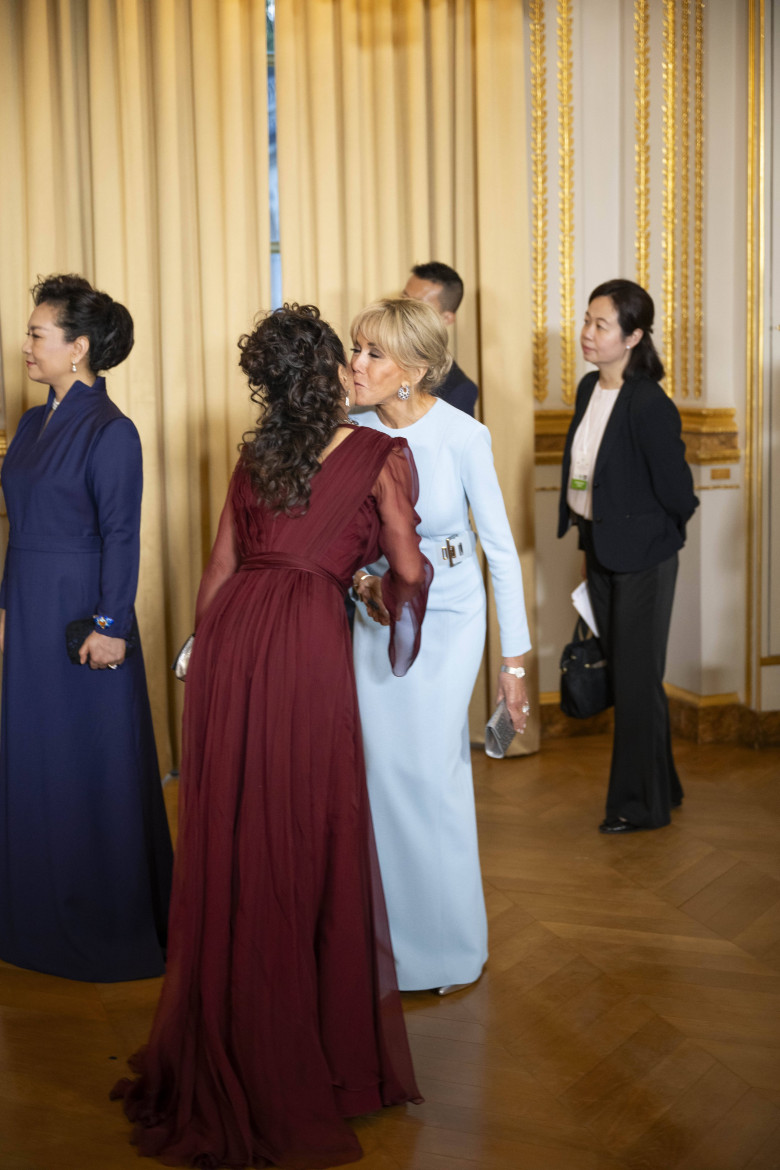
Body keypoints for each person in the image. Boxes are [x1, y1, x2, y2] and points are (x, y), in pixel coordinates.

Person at [113, 304, 432, 1169]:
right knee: (306, 835)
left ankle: (234, 1030)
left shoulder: (254, 456)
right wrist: (381, 588)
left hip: (230, 649)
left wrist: (198, 663)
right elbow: (406, 570)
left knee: (238, 841)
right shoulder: (379, 456)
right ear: (329, 373)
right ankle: (308, 1053)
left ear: (266, 384)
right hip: (302, 652)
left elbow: (218, 573)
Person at [350, 297, 531, 995]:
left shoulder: (462, 435)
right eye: (355, 347)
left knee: (430, 771)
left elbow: (501, 552)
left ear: (414, 371)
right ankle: (384, 948)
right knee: (377, 773)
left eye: (372, 353)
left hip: (451, 614)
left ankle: (448, 949)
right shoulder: (351, 432)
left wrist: (513, 666)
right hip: (374, 613)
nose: (355, 364)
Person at [0, 273, 172, 982]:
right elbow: (22, 528)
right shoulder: (35, 424)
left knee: (87, 765)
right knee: (34, 763)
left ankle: (102, 914)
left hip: (84, 616)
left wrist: (110, 626)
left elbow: (122, 536)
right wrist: (7, 608)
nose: (27, 345)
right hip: (31, 606)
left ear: (78, 349)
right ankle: (32, 915)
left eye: (38, 334)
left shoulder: (112, 430)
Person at [557, 279, 699, 833]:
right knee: (633, 679)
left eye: (600, 325)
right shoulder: (589, 387)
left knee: (637, 683)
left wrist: (653, 541)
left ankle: (639, 806)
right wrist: (588, 539)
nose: (587, 333)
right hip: (599, 547)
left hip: (644, 557)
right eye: (586, 320)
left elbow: (678, 493)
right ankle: (668, 783)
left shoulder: (648, 402)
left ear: (634, 336)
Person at [403, 261, 479, 415]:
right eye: (403, 297)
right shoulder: (372, 358)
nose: (402, 309)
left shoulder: (459, 388)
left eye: (417, 305)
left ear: (446, 319)